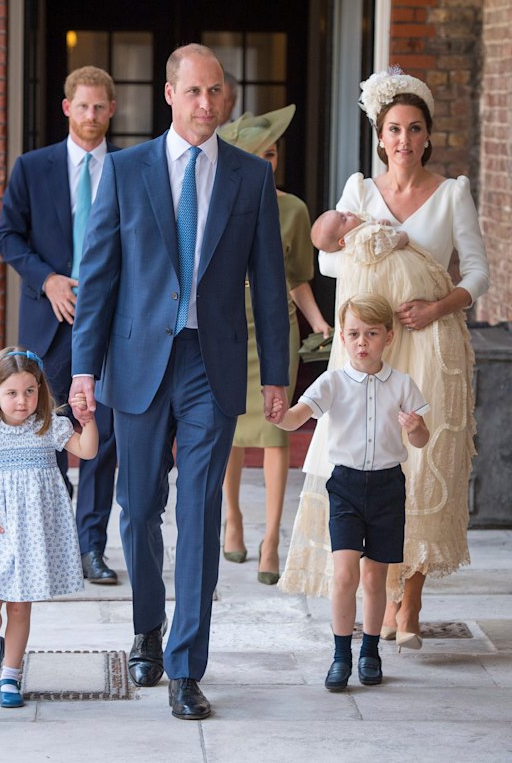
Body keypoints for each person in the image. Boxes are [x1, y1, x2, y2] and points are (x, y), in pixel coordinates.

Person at [68, 43, 290, 720]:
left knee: (197, 515)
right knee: (138, 510)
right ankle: (147, 631)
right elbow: (99, 273)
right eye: (193, 92)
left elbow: (270, 284)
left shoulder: (250, 178)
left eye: (216, 92)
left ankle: (188, 667)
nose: (206, 105)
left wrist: (278, 373)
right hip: (135, 365)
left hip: (210, 365)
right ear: (169, 95)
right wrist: (83, 368)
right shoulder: (128, 170)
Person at [279, 67, 490, 651]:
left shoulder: (453, 194)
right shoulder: (360, 191)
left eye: (414, 129)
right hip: (370, 346)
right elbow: (325, 260)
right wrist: (359, 242)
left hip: (430, 343)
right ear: (380, 135)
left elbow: (478, 273)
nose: (403, 139)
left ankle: (410, 600)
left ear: (427, 136)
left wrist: (439, 305)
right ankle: (379, 593)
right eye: (393, 128)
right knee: (368, 463)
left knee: (422, 467)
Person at [0, 66, 120, 585]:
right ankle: (53, 535)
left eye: (100, 107)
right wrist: (47, 279)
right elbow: (7, 236)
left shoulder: (129, 168)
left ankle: (91, 545)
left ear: (112, 110)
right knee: (44, 430)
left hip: (111, 324)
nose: (91, 116)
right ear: (67, 107)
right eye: (82, 106)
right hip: (49, 323)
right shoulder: (33, 167)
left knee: (99, 433)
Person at [273, 293, 429, 690]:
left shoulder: (402, 384)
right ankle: (341, 654)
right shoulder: (333, 382)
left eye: (372, 334)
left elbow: (423, 437)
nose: (362, 342)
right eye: (354, 334)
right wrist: (279, 414)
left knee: (375, 578)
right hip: (344, 485)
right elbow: (296, 418)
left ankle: (370, 651)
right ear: (342, 338)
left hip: (387, 486)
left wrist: (414, 429)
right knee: (344, 574)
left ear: (388, 338)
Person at [218, 107, 331, 583]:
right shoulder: (218, 202)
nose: (268, 162)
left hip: (273, 331)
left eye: (273, 153)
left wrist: (321, 325)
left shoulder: (295, 210)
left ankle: (271, 540)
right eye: (257, 155)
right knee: (227, 431)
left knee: (276, 431)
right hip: (226, 329)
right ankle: (234, 521)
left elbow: (299, 279)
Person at [0, 347, 98, 708]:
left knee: (20, 606)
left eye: (30, 391)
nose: (22, 401)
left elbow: (86, 451)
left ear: (40, 390)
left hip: (33, 532)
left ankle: (11, 674)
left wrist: (88, 420)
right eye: (12, 393)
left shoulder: (48, 424)